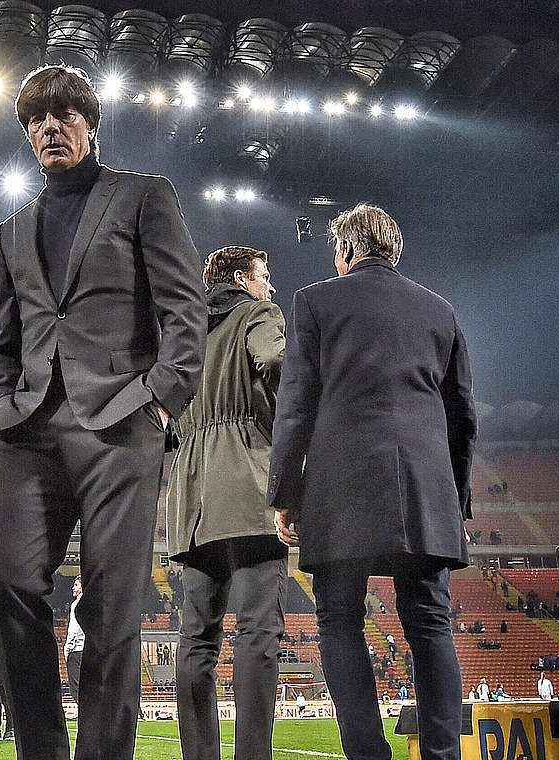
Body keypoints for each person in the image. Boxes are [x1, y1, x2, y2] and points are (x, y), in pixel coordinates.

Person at [0, 63, 205, 760]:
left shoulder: (143, 196)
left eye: (65, 115)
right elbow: (2, 341)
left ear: (90, 126)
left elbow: (184, 309)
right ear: (27, 134)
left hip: (120, 423)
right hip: (27, 432)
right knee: (7, 584)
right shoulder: (13, 230)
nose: (51, 127)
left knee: (110, 607)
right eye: (37, 120)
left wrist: (161, 399)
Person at [269, 204, 476, 760]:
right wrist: (455, 499)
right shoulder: (441, 310)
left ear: (345, 251)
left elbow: (296, 407)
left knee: (339, 618)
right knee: (431, 623)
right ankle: (441, 755)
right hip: (425, 488)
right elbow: (463, 416)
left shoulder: (314, 301)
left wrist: (285, 494)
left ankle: (367, 755)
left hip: (343, 489)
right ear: (394, 251)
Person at [164, 245, 286, 760]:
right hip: (250, 488)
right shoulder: (258, 312)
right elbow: (278, 359)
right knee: (257, 632)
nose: (271, 287)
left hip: (190, 501)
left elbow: (162, 402)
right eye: (265, 276)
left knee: (196, 641)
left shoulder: (184, 330)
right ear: (242, 278)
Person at [64, 577, 85, 702]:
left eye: (76, 585)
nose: (73, 587)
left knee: (75, 688)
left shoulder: (76, 604)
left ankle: (86, 715)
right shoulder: (91, 602)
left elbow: (74, 628)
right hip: (87, 650)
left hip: (76, 651)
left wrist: (67, 649)